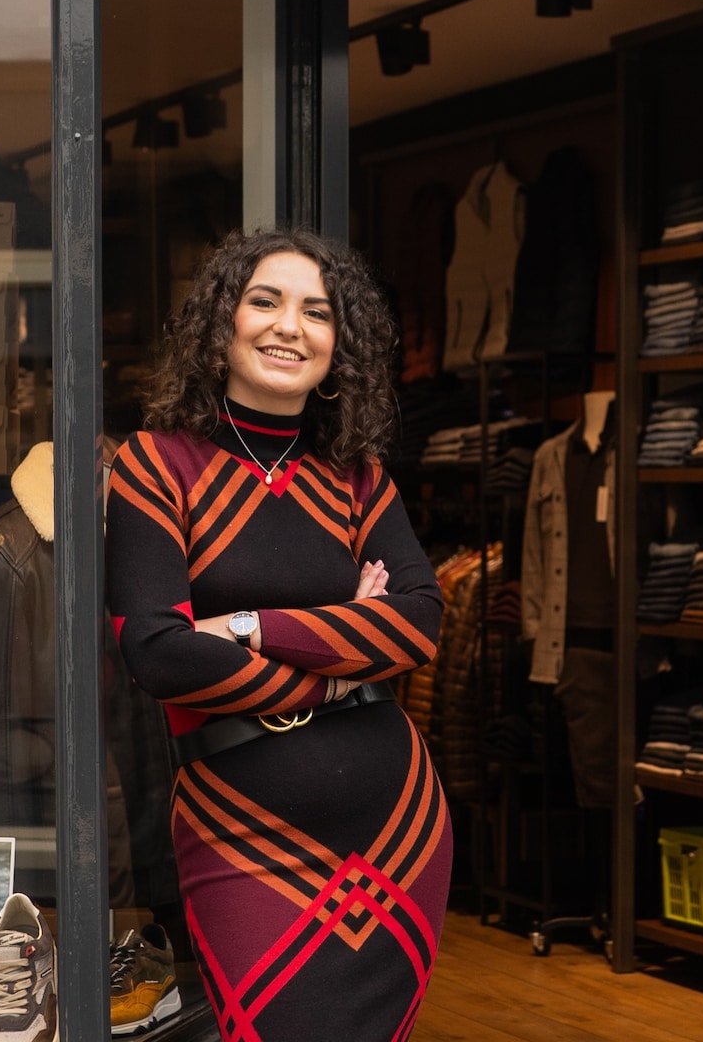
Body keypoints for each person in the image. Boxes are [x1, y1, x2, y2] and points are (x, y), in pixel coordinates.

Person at [107, 227, 452, 1040]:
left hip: (395, 823)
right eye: (264, 301)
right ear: (220, 322)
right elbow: (156, 651)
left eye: (317, 311)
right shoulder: (155, 465)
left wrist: (252, 626)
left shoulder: (360, 477)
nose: (288, 327)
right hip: (239, 824)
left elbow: (422, 620)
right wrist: (344, 660)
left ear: (342, 344)